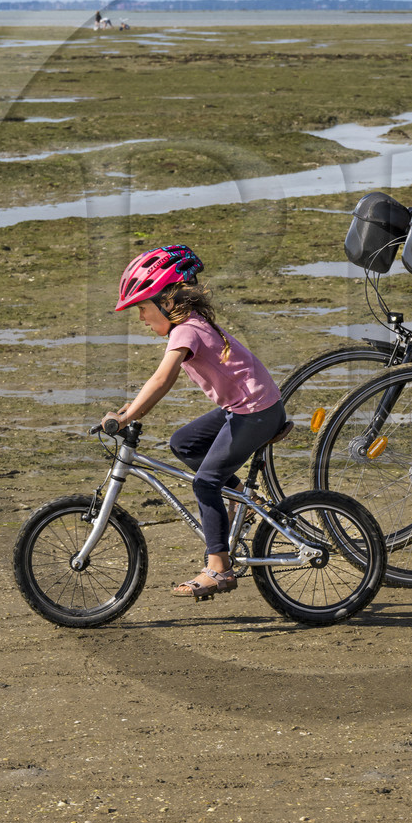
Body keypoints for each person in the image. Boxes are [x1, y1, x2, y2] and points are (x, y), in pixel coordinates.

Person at [106, 245, 287, 600]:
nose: (141, 318)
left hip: (256, 412)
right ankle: (240, 497)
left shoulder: (185, 330)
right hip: (247, 407)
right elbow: (161, 380)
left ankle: (219, 568)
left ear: (168, 303)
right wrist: (133, 408)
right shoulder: (188, 327)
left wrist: (128, 416)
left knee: (205, 484)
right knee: (184, 443)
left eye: (142, 308)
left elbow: (162, 380)